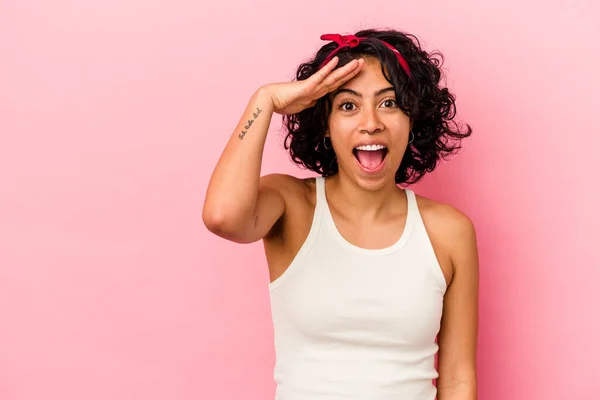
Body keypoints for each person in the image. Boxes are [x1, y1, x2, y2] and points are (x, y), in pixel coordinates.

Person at [203, 28, 479, 400]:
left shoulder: (450, 231)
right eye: (348, 105)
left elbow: (458, 377)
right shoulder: (291, 204)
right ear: (327, 125)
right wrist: (264, 100)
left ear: (413, 120)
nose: (371, 123)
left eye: (389, 103)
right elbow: (222, 217)